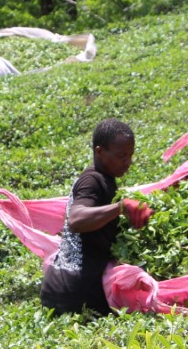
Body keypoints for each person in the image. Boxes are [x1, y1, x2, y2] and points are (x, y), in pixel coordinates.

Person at [41, 118, 152, 318]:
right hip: (75, 294)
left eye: (130, 155)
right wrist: (120, 207)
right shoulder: (91, 181)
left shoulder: (104, 179)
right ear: (99, 152)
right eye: (121, 156)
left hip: (58, 290)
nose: (128, 162)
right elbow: (77, 220)